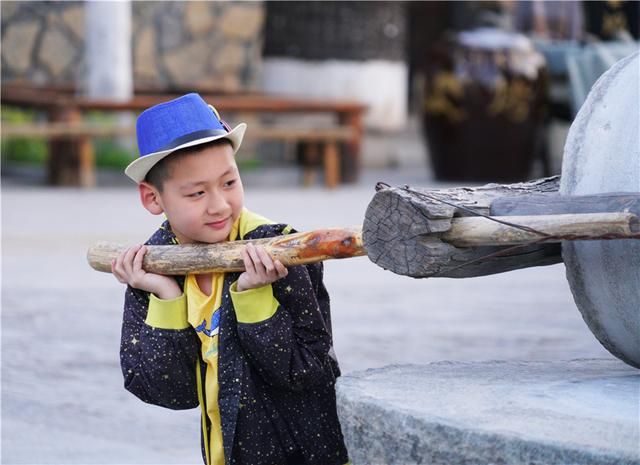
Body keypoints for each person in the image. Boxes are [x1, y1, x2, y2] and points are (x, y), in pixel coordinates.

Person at [112, 93, 349, 465]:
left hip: (308, 454)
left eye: (229, 182)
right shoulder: (153, 265)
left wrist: (255, 300)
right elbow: (166, 391)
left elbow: (306, 369)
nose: (219, 205)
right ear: (153, 199)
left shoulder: (280, 249)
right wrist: (165, 298)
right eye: (197, 193)